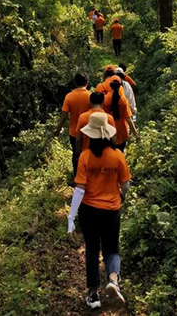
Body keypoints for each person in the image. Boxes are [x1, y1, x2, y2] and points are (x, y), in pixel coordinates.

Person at [68, 111, 130, 309]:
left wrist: (71, 216)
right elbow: (125, 184)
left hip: (89, 210)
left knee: (93, 249)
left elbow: (80, 189)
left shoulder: (85, 157)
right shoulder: (118, 156)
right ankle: (113, 281)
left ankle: (93, 295)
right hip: (112, 209)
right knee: (112, 249)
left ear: (89, 134)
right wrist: (122, 195)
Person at [53, 72, 91, 173]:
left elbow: (64, 116)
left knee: (76, 153)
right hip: (88, 132)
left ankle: (77, 176)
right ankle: (88, 174)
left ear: (75, 83)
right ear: (87, 82)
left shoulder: (69, 97)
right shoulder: (90, 96)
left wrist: (57, 130)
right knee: (88, 153)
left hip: (74, 132)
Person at [104, 78, 138, 152]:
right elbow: (128, 119)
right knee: (121, 153)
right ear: (120, 86)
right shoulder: (123, 100)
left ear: (110, 86)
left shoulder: (106, 99)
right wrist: (135, 134)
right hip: (122, 131)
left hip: (110, 131)